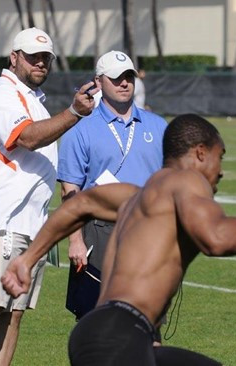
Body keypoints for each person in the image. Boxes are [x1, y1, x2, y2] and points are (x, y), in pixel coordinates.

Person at [2, 113, 236, 366]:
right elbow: (216, 239)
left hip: (107, 333)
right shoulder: (187, 180)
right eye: (221, 158)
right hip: (118, 337)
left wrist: (27, 260)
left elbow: (77, 206)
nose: (221, 172)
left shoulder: (134, 197)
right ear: (201, 153)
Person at [0, 27, 97, 366]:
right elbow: (25, 138)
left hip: (31, 223)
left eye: (46, 58)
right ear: (14, 58)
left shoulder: (34, 102)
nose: (40, 63)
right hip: (2, 219)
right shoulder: (0, 93)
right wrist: (74, 112)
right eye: (32, 57)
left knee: (12, 313)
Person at [58, 51, 167, 320]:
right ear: (98, 82)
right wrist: (75, 241)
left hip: (148, 229)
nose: (124, 83)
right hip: (99, 230)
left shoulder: (159, 125)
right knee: (96, 321)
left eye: (128, 77)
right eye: (116, 78)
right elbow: (69, 190)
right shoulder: (80, 129)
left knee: (148, 320)